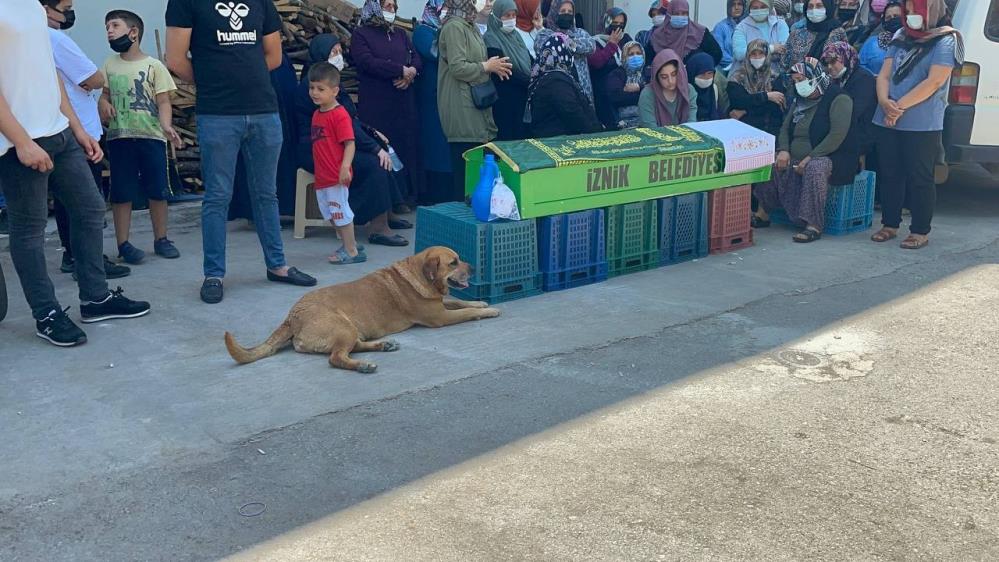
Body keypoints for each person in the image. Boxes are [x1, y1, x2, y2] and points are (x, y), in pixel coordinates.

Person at [0, 0, 151, 347]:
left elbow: (47, 71)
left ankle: (95, 299)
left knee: (89, 207)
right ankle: (47, 313)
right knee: (30, 230)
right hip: (18, 141)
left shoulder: (32, 9)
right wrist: (22, 141)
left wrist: (77, 127)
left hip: (59, 131)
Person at [166, 0, 317, 304]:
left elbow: (273, 56)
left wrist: (243, 77)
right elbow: (175, 58)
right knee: (217, 196)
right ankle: (214, 274)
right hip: (219, 113)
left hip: (263, 110)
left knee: (266, 194)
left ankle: (277, 266)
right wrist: (215, 79)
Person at [39, 0, 130, 280]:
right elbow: (95, 77)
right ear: (45, 8)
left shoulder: (34, 40)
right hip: (81, 131)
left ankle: (72, 254)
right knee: (86, 204)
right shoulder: (54, 38)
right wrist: (94, 81)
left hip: (60, 127)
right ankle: (89, 262)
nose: (69, 13)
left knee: (67, 201)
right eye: (65, 6)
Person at [294, 35, 410, 247]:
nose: (338, 57)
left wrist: (373, 134)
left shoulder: (331, 84)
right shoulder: (314, 88)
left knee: (383, 149)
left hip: (337, 143)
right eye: (333, 52)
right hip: (318, 149)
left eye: (340, 52)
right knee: (374, 163)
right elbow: (343, 123)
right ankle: (377, 226)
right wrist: (374, 147)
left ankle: (387, 210)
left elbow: (349, 119)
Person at [869, 0, 961, 250]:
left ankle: (920, 230)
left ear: (931, 12)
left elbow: (934, 82)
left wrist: (898, 107)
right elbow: (884, 74)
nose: (909, 17)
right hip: (887, 117)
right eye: (907, 12)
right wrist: (883, 101)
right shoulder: (900, 35)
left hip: (921, 123)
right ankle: (890, 224)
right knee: (889, 174)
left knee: (920, 177)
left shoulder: (945, 40)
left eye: (915, 12)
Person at [99, 10, 182, 266]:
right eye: (107, 27)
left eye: (115, 25)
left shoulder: (154, 66)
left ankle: (162, 239)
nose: (109, 31)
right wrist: (102, 103)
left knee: (157, 190)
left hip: (151, 137)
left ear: (133, 32)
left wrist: (166, 126)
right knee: (121, 192)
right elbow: (104, 95)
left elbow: (164, 100)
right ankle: (123, 244)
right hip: (120, 139)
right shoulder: (109, 65)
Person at [753, 58, 855, 243]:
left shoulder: (839, 99)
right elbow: (785, 128)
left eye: (801, 80)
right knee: (771, 162)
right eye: (795, 81)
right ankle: (763, 213)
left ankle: (813, 225)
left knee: (815, 169)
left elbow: (836, 136)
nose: (798, 85)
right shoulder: (800, 100)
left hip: (829, 155)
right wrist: (784, 149)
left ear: (815, 77)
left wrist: (811, 156)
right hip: (796, 155)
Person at [437, 0, 513, 202]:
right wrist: (487, 67)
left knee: (477, 175)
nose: (487, 2)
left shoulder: (469, 26)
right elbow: (458, 67)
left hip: (476, 105)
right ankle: (461, 228)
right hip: (461, 107)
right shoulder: (454, 27)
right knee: (464, 176)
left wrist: (493, 66)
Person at [351, 0, 425, 206]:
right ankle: (387, 203)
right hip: (378, 105)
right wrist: (399, 70)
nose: (390, 10)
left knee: (406, 149)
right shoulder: (361, 34)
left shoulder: (400, 34)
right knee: (384, 152)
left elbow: (416, 59)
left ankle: (406, 197)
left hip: (403, 104)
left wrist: (410, 74)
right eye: (386, 6)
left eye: (393, 6)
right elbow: (366, 61)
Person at [306, 63, 364, 265]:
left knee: (340, 212)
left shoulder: (339, 115)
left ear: (335, 91)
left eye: (320, 89)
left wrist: (344, 167)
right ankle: (350, 243)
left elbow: (350, 144)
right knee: (330, 214)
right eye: (312, 88)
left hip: (335, 176)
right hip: (323, 176)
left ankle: (352, 250)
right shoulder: (317, 114)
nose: (315, 93)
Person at [525, 33, 603, 138]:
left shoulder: (550, 75)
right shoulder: (555, 80)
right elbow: (571, 111)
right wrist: (594, 131)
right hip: (558, 141)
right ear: (563, 52)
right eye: (570, 51)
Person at [413, 0, 454, 202]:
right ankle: (432, 195)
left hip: (448, 96)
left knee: (446, 147)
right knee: (435, 146)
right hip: (432, 97)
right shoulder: (423, 31)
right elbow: (437, 53)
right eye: (443, 7)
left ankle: (446, 193)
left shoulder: (449, 31)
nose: (446, 12)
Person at [484, 0, 534, 140]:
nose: (511, 19)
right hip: (504, 100)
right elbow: (505, 69)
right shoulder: (490, 38)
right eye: (506, 15)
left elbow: (530, 60)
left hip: (523, 98)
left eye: (513, 15)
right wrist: (530, 81)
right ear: (497, 16)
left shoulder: (516, 36)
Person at [822, 41, 876, 159]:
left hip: (859, 138)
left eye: (833, 62)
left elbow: (855, 111)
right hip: (841, 136)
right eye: (827, 63)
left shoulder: (863, 78)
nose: (830, 67)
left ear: (845, 57)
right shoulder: (836, 81)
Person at [536, 0, 597, 103]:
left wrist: (561, 40)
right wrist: (570, 43)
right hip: (557, 90)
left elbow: (591, 46)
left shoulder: (580, 32)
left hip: (582, 90)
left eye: (570, 12)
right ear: (555, 12)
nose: (566, 14)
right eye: (563, 11)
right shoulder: (544, 34)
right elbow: (542, 48)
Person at [727, 39, 787, 136]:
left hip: (768, 129)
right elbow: (738, 101)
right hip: (741, 129)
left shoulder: (775, 77)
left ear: (767, 55)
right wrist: (766, 97)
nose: (757, 57)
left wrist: (746, 110)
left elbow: (775, 106)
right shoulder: (737, 77)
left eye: (761, 54)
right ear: (748, 56)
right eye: (753, 54)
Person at [779, 0, 847, 77]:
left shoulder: (837, 33)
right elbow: (784, 63)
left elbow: (840, 64)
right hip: (795, 82)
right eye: (810, 7)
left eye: (819, 6)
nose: (814, 10)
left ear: (828, 8)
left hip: (824, 84)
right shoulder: (796, 34)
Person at [589, 8, 630, 129]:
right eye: (614, 23)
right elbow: (597, 63)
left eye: (621, 24)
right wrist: (612, 44)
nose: (617, 28)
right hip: (603, 97)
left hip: (624, 92)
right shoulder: (594, 42)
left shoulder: (625, 39)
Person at [651, 0, 723, 66]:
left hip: (693, 78)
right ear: (669, 14)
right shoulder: (658, 36)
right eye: (676, 13)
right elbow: (650, 59)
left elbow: (717, 55)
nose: (680, 16)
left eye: (684, 13)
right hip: (666, 78)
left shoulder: (700, 33)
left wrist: (701, 70)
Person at [639, 49, 698, 126]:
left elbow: (691, 124)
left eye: (674, 74)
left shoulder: (689, 90)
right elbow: (651, 129)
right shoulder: (647, 94)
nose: (670, 81)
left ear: (680, 73)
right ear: (656, 78)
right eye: (664, 77)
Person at [604, 40, 647, 128]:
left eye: (638, 53)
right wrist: (643, 92)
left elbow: (655, 92)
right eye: (631, 54)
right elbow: (616, 97)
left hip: (647, 120)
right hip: (623, 123)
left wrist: (639, 87)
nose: (635, 56)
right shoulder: (616, 74)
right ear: (624, 56)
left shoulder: (648, 72)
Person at [858, 0, 902, 75]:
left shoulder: (913, 41)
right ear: (884, 22)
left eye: (896, 16)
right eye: (888, 18)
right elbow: (860, 65)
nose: (892, 19)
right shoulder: (871, 42)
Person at [686, 52, 729, 121]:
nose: (707, 78)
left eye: (710, 73)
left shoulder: (714, 90)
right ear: (692, 73)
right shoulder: (686, 92)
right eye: (702, 74)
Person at [713, 0, 747, 72]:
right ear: (728, 7)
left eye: (739, 4)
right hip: (726, 71)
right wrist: (737, 64)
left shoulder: (748, 26)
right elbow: (719, 52)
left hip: (748, 69)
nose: (736, 8)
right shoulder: (720, 27)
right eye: (733, 5)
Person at [636, 0, 669, 65]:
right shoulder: (643, 36)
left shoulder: (677, 35)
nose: (656, 17)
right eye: (653, 15)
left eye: (659, 13)